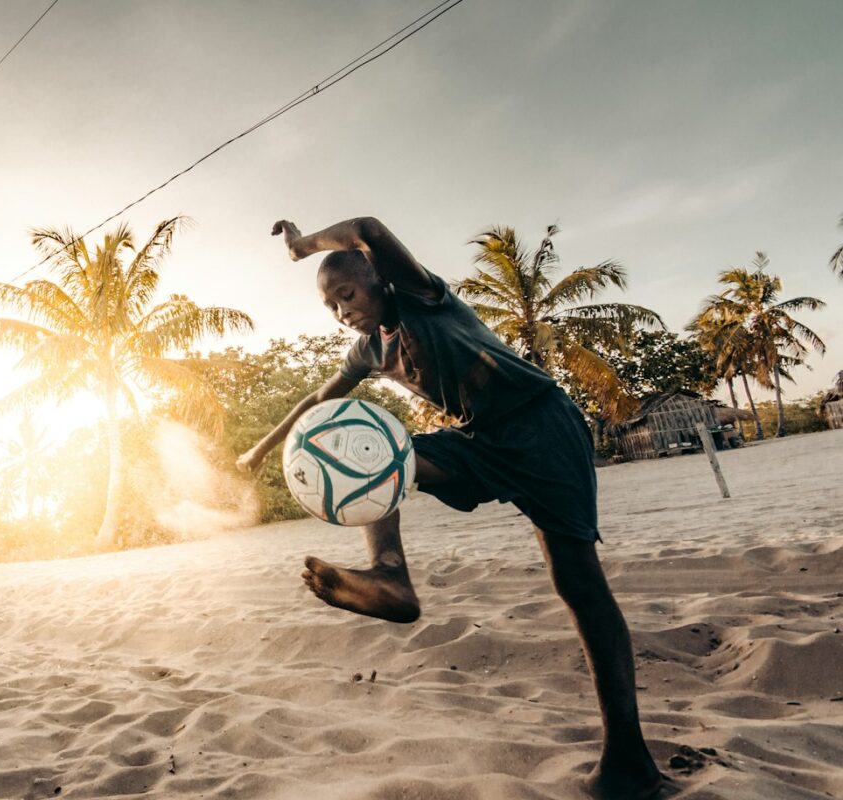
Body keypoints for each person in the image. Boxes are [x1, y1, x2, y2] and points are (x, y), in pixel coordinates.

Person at [237, 217, 663, 799]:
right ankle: (391, 576)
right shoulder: (367, 349)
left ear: (377, 280)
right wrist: (262, 448)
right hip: (481, 441)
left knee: (578, 584)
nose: (342, 310)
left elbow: (365, 228)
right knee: (381, 452)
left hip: (541, 426)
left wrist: (300, 248)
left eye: (348, 293)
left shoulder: (421, 297)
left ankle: (629, 760)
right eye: (330, 305)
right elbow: (319, 399)